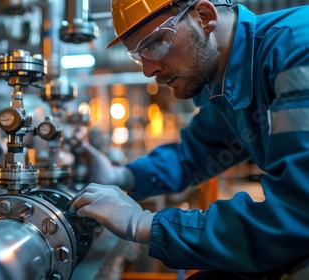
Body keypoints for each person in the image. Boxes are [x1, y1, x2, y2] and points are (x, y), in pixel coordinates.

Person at [68, 0, 309, 279]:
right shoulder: (231, 80)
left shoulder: (296, 49)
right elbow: (193, 154)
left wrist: (144, 224)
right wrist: (119, 175)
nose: (148, 70)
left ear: (204, 17)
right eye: (138, 55)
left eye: (155, 44)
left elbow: (299, 213)